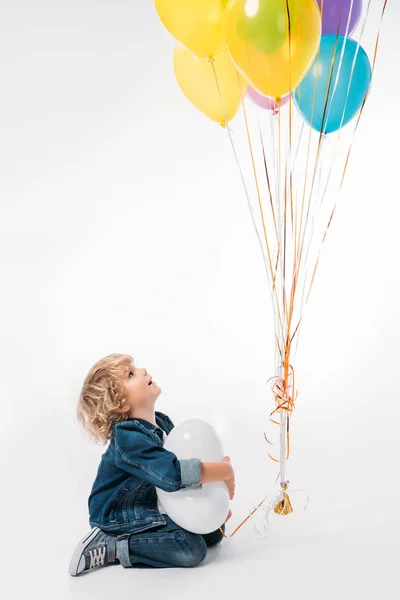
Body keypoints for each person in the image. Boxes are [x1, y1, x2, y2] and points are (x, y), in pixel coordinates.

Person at [69, 353, 235, 575]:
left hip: (152, 503)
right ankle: (113, 547)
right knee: (191, 549)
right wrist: (224, 470)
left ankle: (160, 532)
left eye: (135, 367)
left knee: (214, 532)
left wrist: (208, 509)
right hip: (121, 515)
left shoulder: (162, 422)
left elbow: (181, 469)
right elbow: (174, 475)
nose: (142, 371)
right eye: (131, 374)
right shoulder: (127, 437)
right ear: (119, 404)